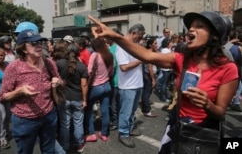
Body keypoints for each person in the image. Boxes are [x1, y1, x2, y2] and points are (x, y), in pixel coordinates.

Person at [88, 11, 238, 153]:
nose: (191, 29)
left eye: (199, 26)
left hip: (204, 134)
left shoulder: (228, 68)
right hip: (177, 128)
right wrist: (114, 36)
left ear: (215, 36)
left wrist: (207, 104)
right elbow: (147, 55)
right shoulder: (181, 59)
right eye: (190, 26)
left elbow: (220, 112)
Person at [0, 29, 64, 154]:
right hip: (24, 121)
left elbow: (61, 81)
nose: (39, 46)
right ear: (24, 49)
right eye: (33, 43)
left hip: (49, 116)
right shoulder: (14, 67)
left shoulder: (49, 63)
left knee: (49, 151)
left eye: (40, 42)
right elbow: (2, 96)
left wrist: (58, 82)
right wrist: (20, 91)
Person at [114, 24, 145, 148]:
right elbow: (124, 67)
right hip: (127, 86)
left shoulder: (134, 46)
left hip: (137, 84)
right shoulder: (122, 47)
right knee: (125, 112)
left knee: (132, 111)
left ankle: (130, 128)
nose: (140, 38)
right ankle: (123, 133)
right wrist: (140, 60)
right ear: (133, 33)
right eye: (139, 36)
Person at [54, 42, 88, 153]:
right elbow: (84, 85)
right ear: (78, 52)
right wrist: (84, 100)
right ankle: (79, 144)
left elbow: (54, 79)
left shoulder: (59, 64)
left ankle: (65, 146)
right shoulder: (82, 66)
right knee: (78, 122)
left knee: (65, 124)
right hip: (77, 98)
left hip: (63, 98)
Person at [84, 38, 113, 142]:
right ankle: (104, 133)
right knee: (105, 111)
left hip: (95, 87)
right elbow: (111, 71)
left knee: (88, 110)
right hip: (107, 85)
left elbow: (89, 72)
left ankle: (92, 134)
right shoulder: (109, 55)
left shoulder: (94, 55)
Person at [141, 36, 158, 117]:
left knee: (146, 92)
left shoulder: (149, 51)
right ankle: (146, 110)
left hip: (146, 74)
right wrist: (153, 79)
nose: (157, 45)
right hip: (148, 75)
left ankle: (144, 107)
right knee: (147, 92)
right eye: (155, 43)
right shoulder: (150, 53)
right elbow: (150, 68)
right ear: (150, 45)